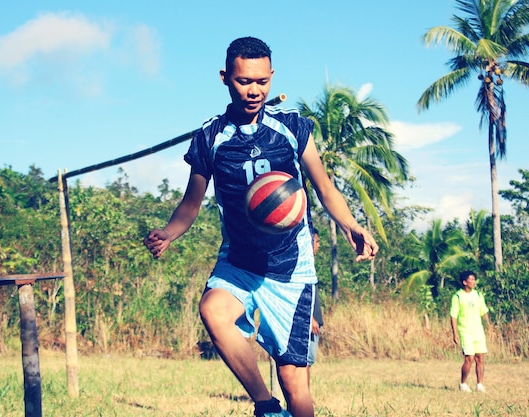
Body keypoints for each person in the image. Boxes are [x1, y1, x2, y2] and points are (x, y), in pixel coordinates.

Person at [144, 36, 378, 417]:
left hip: (291, 268)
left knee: (294, 382)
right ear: (225, 78)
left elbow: (323, 186)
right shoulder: (210, 137)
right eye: (243, 81)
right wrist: (169, 233)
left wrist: (351, 225)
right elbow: (191, 203)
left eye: (261, 81)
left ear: (271, 77)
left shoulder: (292, 128)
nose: (254, 90)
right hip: (240, 260)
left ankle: (282, 403)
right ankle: (266, 407)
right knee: (213, 311)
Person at [450, 270, 491, 393]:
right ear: (464, 282)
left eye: (474, 279)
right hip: (465, 331)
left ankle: (480, 384)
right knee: (469, 358)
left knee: (480, 358)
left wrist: (489, 326)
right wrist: (455, 333)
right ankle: (463, 383)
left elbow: (484, 311)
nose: (473, 282)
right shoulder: (458, 296)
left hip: (478, 330)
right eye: (471, 280)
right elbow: (453, 316)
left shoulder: (478, 295)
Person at [307, 228, 323, 387]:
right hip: (309, 321)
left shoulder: (310, 265)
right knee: (304, 361)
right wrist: (309, 318)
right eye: (317, 241)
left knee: (308, 361)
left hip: (314, 319)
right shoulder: (302, 266)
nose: (319, 245)